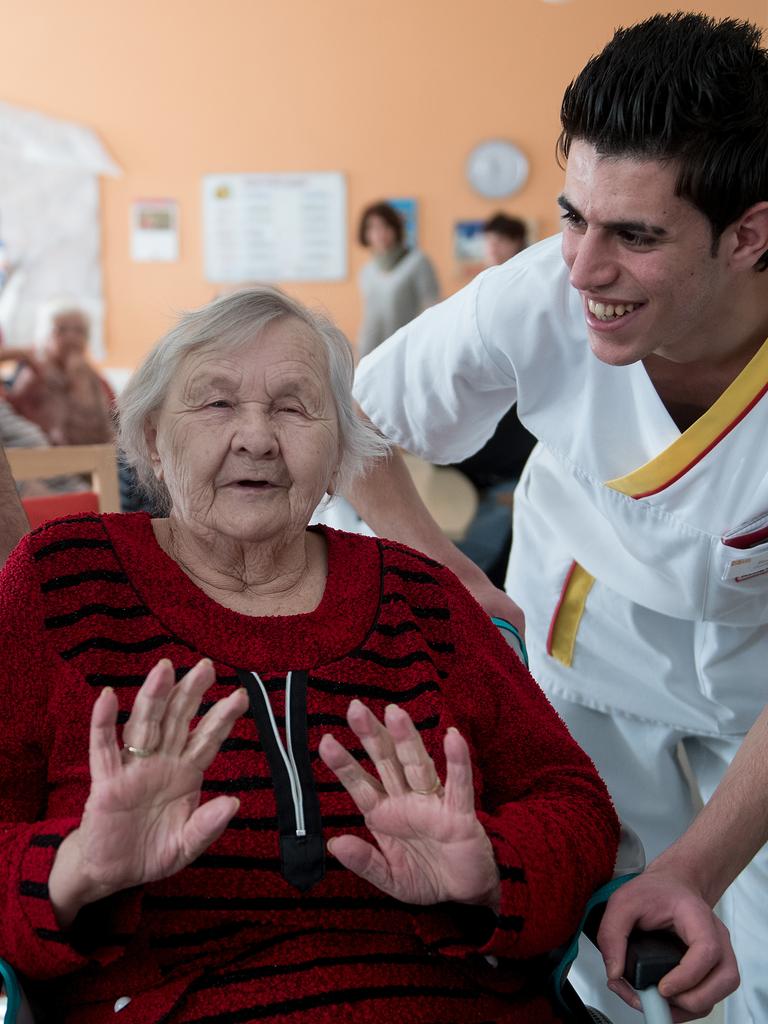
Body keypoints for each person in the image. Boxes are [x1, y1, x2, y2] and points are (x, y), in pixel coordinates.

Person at [0, 286, 619, 1023]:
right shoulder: (64, 579)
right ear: (152, 443)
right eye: (217, 405)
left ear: (338, 462)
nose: (258, 438)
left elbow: (575, 801)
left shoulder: (421, 597)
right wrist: (78, 868)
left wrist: (489, 868)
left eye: (294, 408)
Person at [349, 13, 767, 1023]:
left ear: (750, 234)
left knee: (747, 967)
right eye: (573, 215)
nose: (583, 268)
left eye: (635, 235)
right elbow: (351, 414)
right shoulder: (537, 296)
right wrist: (433, 558)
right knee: (609, 955)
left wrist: (698, 868)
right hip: (588, 650)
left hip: (756, 685)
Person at [5, 303, 114, 445]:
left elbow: (111, 423)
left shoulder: (95, 378)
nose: (71, 338)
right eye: (61, 330)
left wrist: (80, 382)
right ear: (45, 337)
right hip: (49, 456)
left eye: (79, 331)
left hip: (95, 455)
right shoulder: (35, 372)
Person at [356, 201, 439, 359]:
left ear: (395, 228)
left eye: (384, 226)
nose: (379, 233)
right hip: (372, 352)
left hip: (409, 351)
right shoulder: (366, 271)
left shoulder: (417, 262)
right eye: (372, 227)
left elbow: (432, 307)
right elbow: (370, 317)